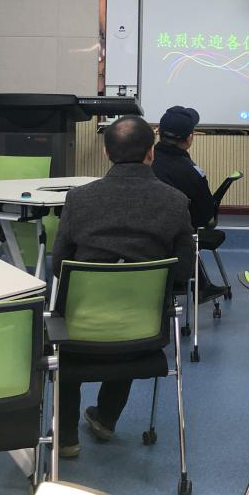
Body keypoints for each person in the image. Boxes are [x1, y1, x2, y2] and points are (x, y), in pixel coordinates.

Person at [52, 115, 195, 458]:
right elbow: (183, 272)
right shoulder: (175, 202)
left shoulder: (79, 199)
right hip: (143, 334)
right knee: (131, 304)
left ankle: (67, 438)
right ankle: (105, 417)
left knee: (67, 322)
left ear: (106, 152)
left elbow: (59, 265)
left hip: (79, 335)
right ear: (150, 153)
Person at [151, 105, 227, 301]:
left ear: (158, 132)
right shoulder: (192, 173)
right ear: (189, 138)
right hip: (178, 246)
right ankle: (200, 288)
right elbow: (204, 216)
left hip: (141, 251)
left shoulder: (144, 160)